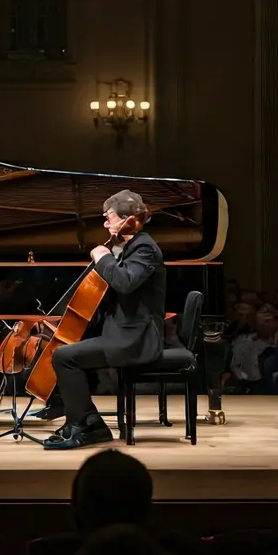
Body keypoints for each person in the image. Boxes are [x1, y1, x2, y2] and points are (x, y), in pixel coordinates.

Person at [43, 190, 167, 450]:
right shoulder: (129, 248)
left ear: (128, 219)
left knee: (64, 357)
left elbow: (125, 282)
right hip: (122, 333)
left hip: (136, 339)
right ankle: (81, 421)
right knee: (64, 352)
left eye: (110, 217)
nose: (105, 223)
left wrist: (103, 257)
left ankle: (88, 426)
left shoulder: (144, 247)